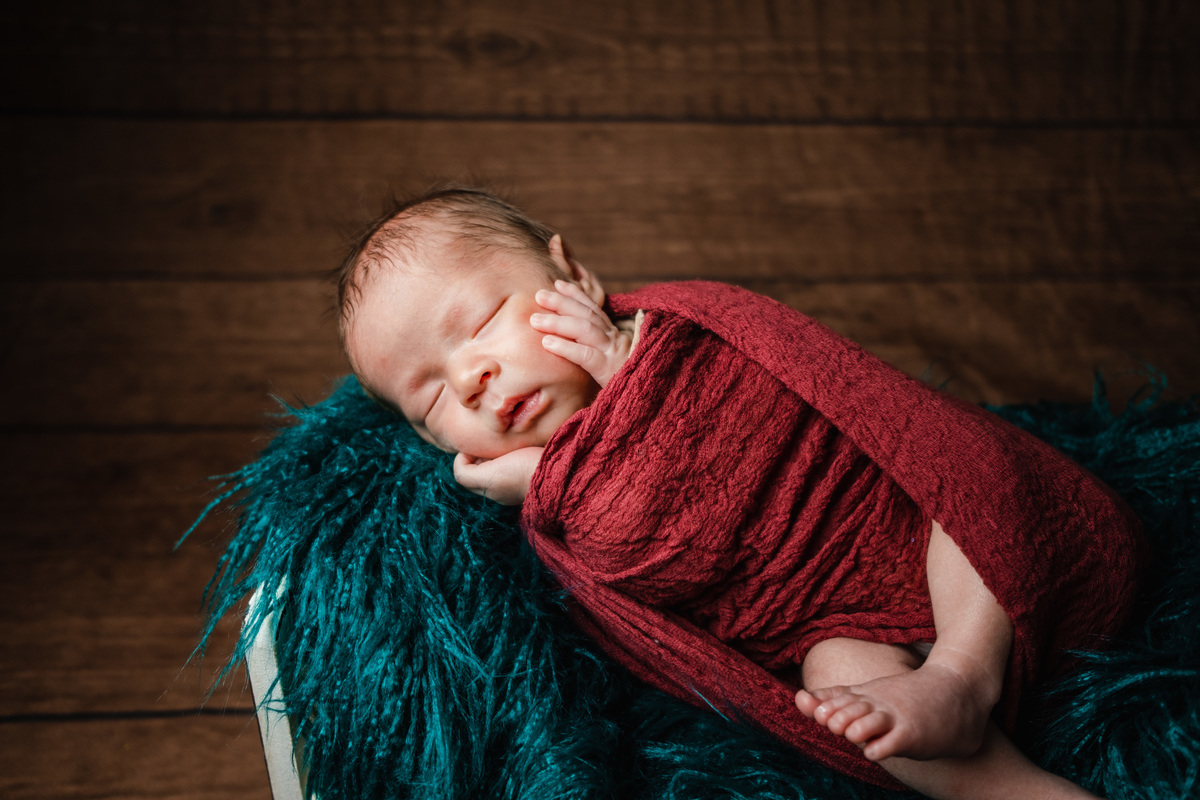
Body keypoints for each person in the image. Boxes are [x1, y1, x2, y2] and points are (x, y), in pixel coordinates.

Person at [337, 186, 1143, 799]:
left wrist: (628, 373)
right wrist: (555, 483)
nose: (471, 380)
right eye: (431, 400)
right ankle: (1022, 791)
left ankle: (962, 674)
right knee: (837, 689)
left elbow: (774, 407)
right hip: (831, 622)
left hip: (897, 510)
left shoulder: (680, 334)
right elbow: (656, 568)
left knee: (971, 494)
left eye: (480, 323)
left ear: (572, 275)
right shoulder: (550, 514)